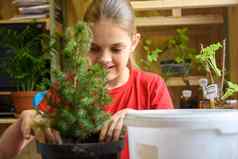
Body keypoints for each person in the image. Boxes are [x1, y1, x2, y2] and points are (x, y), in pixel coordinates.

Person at [0, 0, 173, 159]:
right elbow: (4, 152)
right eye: (94, 48)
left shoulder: (151, 87)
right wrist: (25, 120)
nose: (105, 58)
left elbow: (174, 145)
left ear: (133, 43)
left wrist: (139, 118)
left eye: (116, 49)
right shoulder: (67, 89)